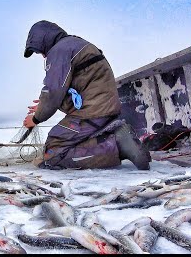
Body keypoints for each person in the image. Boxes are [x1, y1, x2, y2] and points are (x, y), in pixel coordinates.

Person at [22, 20, 151, 170]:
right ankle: (123, 140)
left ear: (44, 40)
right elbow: (75, 87)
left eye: (39, 51)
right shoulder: (74, 44)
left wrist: (35, 118)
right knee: (63, 143)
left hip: (93, 111)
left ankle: (119, 145)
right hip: (102, 107)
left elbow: (52, 91)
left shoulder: (59, 51)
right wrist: (44, 105)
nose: (43, 56)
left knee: (53, 153)